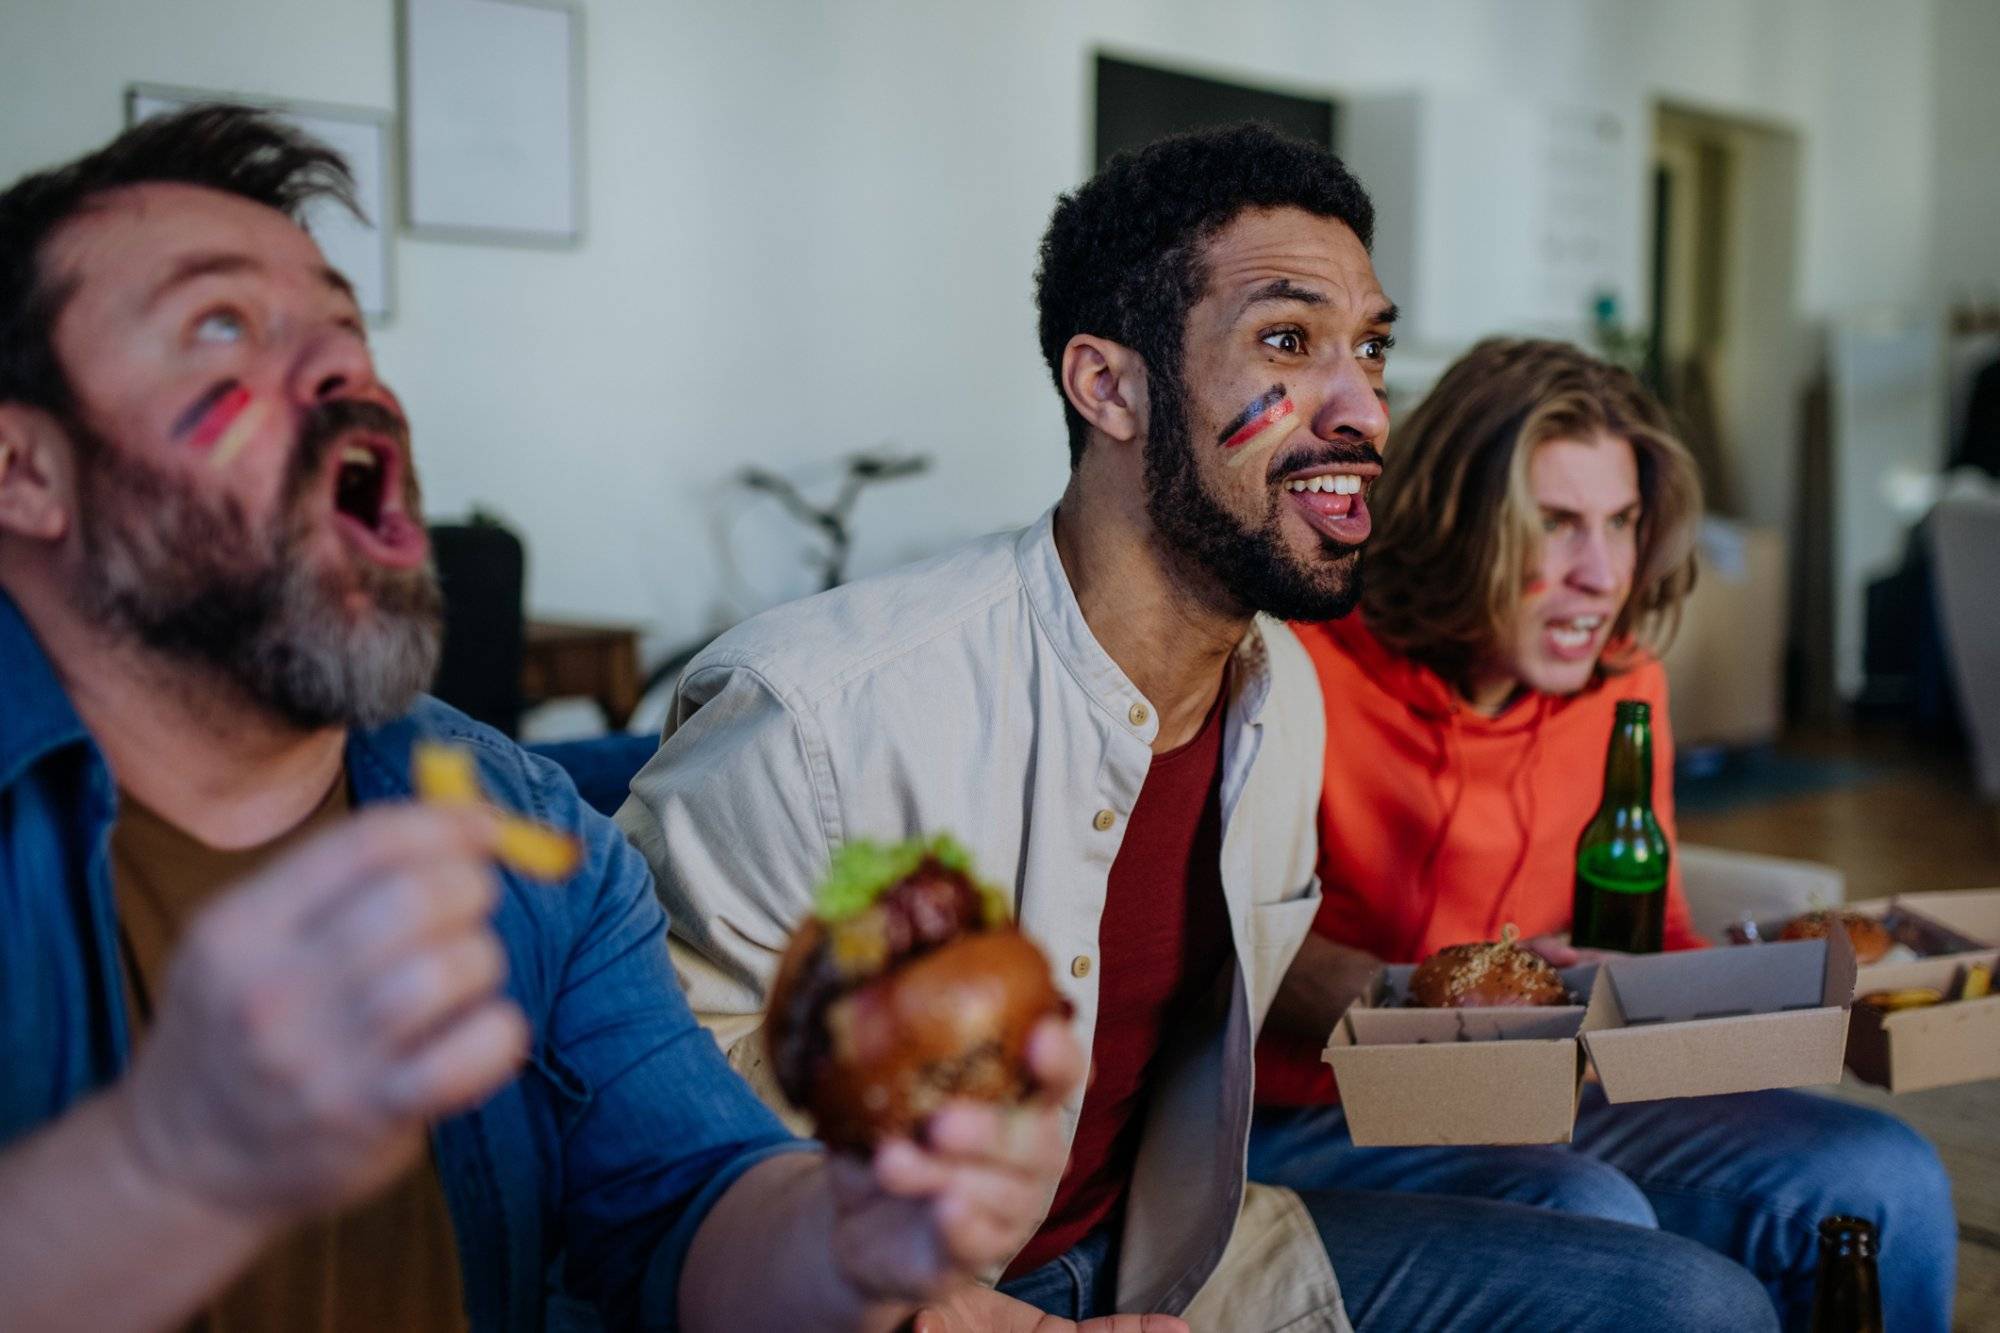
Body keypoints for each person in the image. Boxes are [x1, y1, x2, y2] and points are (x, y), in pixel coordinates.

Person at [620, 125, 1776, 1331]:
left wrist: (1447, 997)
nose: (1364, 413)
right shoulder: (817, 714)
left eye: (1368, 350)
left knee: (1694, 1306)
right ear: (1106, 386)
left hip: (1179, 1255)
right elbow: (646, 1145)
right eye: (1287, 341)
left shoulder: (1280, 696)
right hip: (897, 1304)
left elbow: (1239, 985)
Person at [0, 105, 1090, 1333]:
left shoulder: (528, 834)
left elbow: (689, 1203)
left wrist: (850, 1237)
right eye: (221, 323)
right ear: (23, 468)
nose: (344, 371)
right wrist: (163, 1165)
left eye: (346, 328)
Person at [1250, 337, 1959, 1331]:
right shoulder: (1298, 670)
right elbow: (1230, 953)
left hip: (1554, 1089)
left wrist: (1783, 1001)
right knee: (1590, 1213)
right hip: (1318, 1111)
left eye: (1621, 523)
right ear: (1454, 523)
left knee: (1885, 1172)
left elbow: (1648, 936)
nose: (1601, 575)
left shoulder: (1622, 686)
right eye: (1556, 525)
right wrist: (1430, 1000)